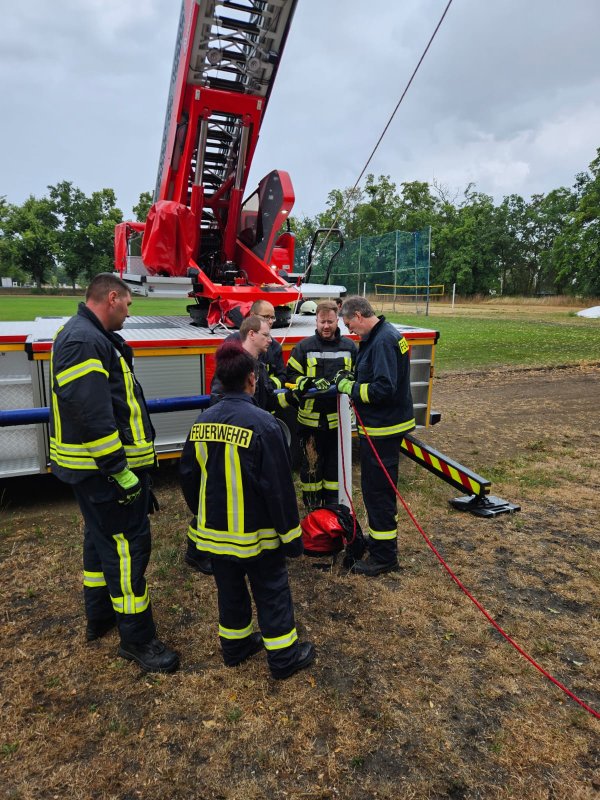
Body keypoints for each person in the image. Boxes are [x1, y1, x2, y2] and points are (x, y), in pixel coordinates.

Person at [49, 273, 179, 672]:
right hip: (104, 473)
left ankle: (101, 617)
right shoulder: (84, 341)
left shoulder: (86, 337)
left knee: (100, 542)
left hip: (94, 472)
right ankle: (138, 640)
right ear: (111, 297)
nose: (129, 309)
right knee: (126, 548)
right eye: (127, 302)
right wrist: (119, 471)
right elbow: (91, 416)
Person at [179, 340, 315, 679]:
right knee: (271, 591)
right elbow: (280, 490)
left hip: (215, 536)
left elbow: (188, 476)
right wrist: (292, 538)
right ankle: (283, 658)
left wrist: (202, 514)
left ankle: (235, 649)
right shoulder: (265, 425)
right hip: (258, 537)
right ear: (252, 380)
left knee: (230, 591)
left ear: (220, 381)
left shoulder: (202, 422)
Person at [184, 315, 293, 573]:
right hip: (231, 442)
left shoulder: (259, 364)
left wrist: (291, 398)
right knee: (216, 495)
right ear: (252, 334)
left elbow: (265, 398)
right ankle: (196, 549)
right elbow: (220, 402)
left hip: (253, 439)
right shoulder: (233, 364)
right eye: (266, 335)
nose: (271, 340)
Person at [335, 296, 415, 576]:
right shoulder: (382, 335)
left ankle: (384, 557)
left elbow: (382, 389)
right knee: (376, 492)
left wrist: (350, 387)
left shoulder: (382, 341)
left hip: (382, 431)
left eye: (349, 324)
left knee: (378, 493)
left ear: (358, 314)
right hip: (383, 429)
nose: (349, 331)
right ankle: (381, 542)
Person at [286, 300, 356, 510]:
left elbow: (360, 374)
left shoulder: (350, 347)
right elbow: (289, 376)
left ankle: (334, 508)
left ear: (338, 321)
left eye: (330, 321)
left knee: (335, 468)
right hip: (310, 424)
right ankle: (312, 508)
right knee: (311, 469)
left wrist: (350, 375)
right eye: (322, 321)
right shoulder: (303, 347)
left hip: (338, 423)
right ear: (315, 321)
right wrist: (305, 382)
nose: (326, 326)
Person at [248, 299, 286, 388]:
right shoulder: (236, 343)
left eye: (272, 317)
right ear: (252, 316)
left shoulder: (275, 347)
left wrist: (266, 385)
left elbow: (282, 377)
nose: (270, 321)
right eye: (266, 317)